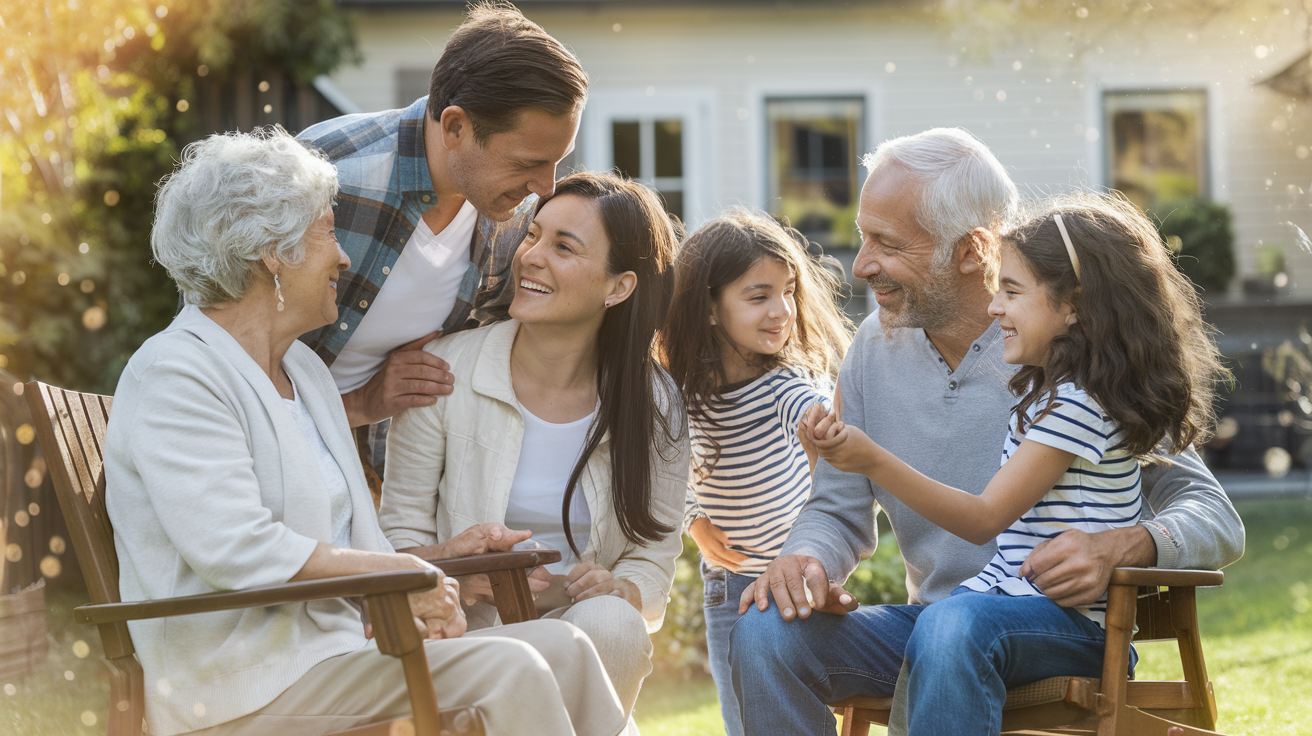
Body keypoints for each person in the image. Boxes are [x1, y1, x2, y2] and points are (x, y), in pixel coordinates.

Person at [105, 128, 625, 736]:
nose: (344, 256)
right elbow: (238, 551)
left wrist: (438, 560)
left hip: (338, 653)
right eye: (326, 231)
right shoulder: (177, 373)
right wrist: (406, 579)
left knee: (567, 647)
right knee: (508, 669)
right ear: (272, 250)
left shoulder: (302, 369)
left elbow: (348, 545)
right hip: (242, 686)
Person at [728, 128, 1245, 735]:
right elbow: (837, 508)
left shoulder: (1072, 365)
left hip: (1039, 626)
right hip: (937, 625)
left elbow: (1213, 515)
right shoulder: (872, 348)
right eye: (864, 236)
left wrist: (1117, 547)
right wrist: (805, 560)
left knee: (956, 625)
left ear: (972, 250)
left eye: (887, 244)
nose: (861, 263)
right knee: (767, 627)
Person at [378, 171, 689, 723]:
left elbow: (653, 553)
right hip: (466, 631)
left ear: (618, 287)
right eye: (532, 235)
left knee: (612, 622)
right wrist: (452, 577)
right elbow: (399, 534)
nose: (531, 257)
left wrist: (621, 589)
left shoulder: (654, 400)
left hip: (584, 628)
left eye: (563, 247)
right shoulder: (447, 369)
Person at [296, 3, 588, 487]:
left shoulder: (507, 213)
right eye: (527, 163)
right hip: (271, 469)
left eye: (558, 162)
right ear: (455, 127)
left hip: (387, 480)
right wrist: (362, 404)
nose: (545, 188)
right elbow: (224, 360)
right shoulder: (325, 178)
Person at [658, 209, 853, 736]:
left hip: (797, 580)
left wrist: (824, 433)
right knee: (743, 720)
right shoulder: (678, 394)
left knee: (790, 711)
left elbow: (816, 421)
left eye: (788, 292)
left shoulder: (787, 386)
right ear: (710, 308)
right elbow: (668, 473)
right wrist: (696, 523)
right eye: (759, 296)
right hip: (729, 583)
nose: (782, 311)